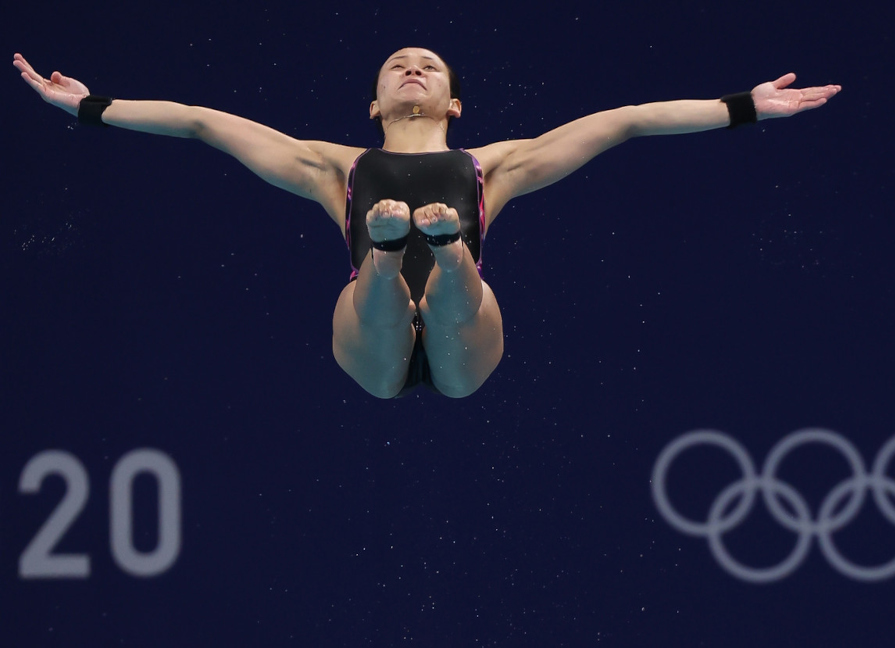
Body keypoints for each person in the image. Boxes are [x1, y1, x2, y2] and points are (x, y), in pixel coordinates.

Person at [13, 48, 842, 399]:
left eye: (430, 66)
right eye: (396, 67)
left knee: (455, 296)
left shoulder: (496, 164)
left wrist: (746, 106)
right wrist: (88, 104)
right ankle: (397, 258)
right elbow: (201, 121)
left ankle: (441, 255)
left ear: (453, 103)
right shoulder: (330, 165)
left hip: (463, 336)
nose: (413, 69)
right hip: (371, 337)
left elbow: (624, 120)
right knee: (381, 301)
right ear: (375, 104)